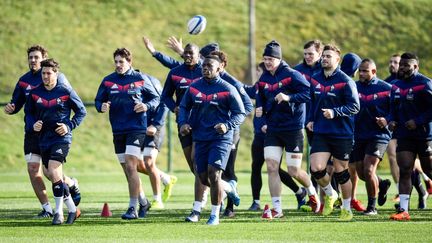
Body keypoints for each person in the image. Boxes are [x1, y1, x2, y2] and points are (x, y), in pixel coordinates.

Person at [4, 45, 81, 218]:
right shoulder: (24, 81)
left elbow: (71, 101)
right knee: (33, 169)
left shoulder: (58, 78)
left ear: (44, 58)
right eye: (30, 57)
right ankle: (47, 208)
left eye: (36, 57)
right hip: (33, 132)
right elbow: (19, 104)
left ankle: (70, 184)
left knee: (49, 171)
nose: (33, 60)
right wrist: (12, 107)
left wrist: (68, 125)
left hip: (52, 134)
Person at [178, 55, 246, 225]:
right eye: (204, 66)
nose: (206, 68)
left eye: (210, 66)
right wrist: (183, 122)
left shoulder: (228, 88)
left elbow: (241, 113)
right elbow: (184, 106)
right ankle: (230, 187)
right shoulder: (194, 87)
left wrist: (227, 125)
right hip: (200, 138)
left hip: (220, 139)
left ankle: (214, 215)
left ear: (219, 69)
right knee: (202, 178)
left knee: (213, 174)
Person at [256, 40, 318, 218]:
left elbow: (308, 94)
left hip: (293, 129)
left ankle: (312, 192)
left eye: (270, 59)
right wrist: (260, 108)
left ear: (279, 58)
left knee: (293, 171)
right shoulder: (264, 77)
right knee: (271, 166)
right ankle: (277, 209)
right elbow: (260, 95)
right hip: (274, 129)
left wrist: (289, 97)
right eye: (265, 58)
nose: (267, 62)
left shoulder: (292, 74)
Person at [95, 48, 159, 219]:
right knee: (127, 169)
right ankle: (144, 201)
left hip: (136, 128)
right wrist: (101, 107)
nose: (118, 65)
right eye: (115, 61)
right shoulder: (108, 81)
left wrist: (146, 106)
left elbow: (156, 99)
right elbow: (98, 100)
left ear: (129, 62)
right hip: (118, 129)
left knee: (131, 165)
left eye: (121, 62)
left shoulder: (140, 79)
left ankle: (133, 208)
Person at [26, 58, 86, 225]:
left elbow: (81, 111)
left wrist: (69, 126)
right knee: (50, 174)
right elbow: (29, 113)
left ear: (56, 74)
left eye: (49, 73)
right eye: (43, 73)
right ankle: (73, 210)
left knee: (53, 169)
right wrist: (33, 125)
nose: (45, 76)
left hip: (61, 139)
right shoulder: (35, 93)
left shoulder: (65, 91)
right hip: (43, 139)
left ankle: (58, 213)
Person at [307, 44, 360, 221]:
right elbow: (311, 103)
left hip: (342, 133)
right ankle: (331, 194)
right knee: (315, 168)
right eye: (323, 56)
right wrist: (310, 119)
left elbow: (355, 106)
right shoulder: (315, 79)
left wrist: (335, 112)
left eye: (328, 56)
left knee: (341, 173)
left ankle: (346, 209)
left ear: (337, 60)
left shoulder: (346, 81)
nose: (324, 59)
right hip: (321, 131)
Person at [382, 52, 432, 220]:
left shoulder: (424, 84)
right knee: (405, 170)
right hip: (403, 134)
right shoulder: (395, 86)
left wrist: (418, 121)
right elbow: (392, 110)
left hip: (424, 135)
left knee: (428, 169)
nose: (402, 68)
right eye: (401, 65)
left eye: (406, 65)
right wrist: (390, 121)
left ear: (415, 67)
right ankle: (403, 210)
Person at [210, 50, 254, 218]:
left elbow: (247, 106)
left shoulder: (231, 83)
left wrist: (228, 123)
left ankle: (229, 207)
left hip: (230, 133)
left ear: (222, 65)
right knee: (209, 171)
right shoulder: (206, 82)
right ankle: (220, 202)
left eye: (213, 62)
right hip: (209, 133)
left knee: (227, 170)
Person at [351, 59, 392, 215]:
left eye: (365, 71)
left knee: (369, 171)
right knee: (362, 173)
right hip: (358, 135)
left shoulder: (386, 88)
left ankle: (372, 207)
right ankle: (381, 184)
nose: (361, 73)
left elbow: (396, 111)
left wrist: (386, 120)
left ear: (373, 72)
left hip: (378, 135)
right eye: (360, 70)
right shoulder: (353, 86)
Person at [139, 74, 177, 209]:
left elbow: (164, 105)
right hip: (139, 130)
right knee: (136, 165)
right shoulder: (134, 91)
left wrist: (155, 125)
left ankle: (157, 200)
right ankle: (166, 178)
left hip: (154, 130)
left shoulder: (154, 86)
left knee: (148, 162)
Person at [340, 52, 366, 212]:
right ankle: (345, 200)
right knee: (347, 168)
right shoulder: (348, 82)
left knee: (350, 167)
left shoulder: (344, 81)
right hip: (344, 131)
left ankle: (349, 200)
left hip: (347, 131)